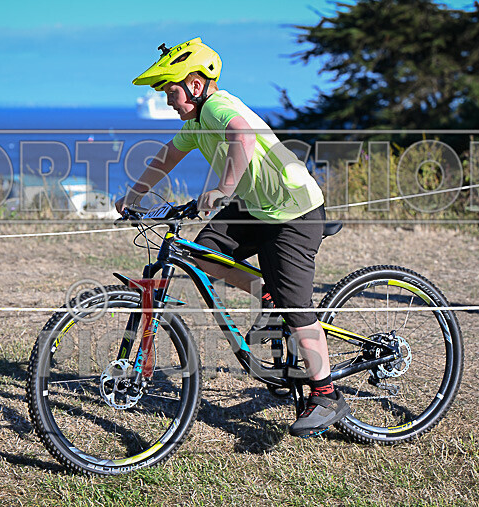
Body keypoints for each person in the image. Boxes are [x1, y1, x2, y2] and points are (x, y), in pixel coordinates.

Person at [115, 37, 349, 437]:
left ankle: (326, 395)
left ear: (195, 84)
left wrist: (222, 189)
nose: (169, 102)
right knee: (200, 253)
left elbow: (243, 136)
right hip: (257, 208)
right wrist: (133, 195)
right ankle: (267, 294)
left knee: (296, 306)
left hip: (293, 210)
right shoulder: (196, 123)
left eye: (171, 92)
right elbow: (168, 156)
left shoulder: (218, 107)